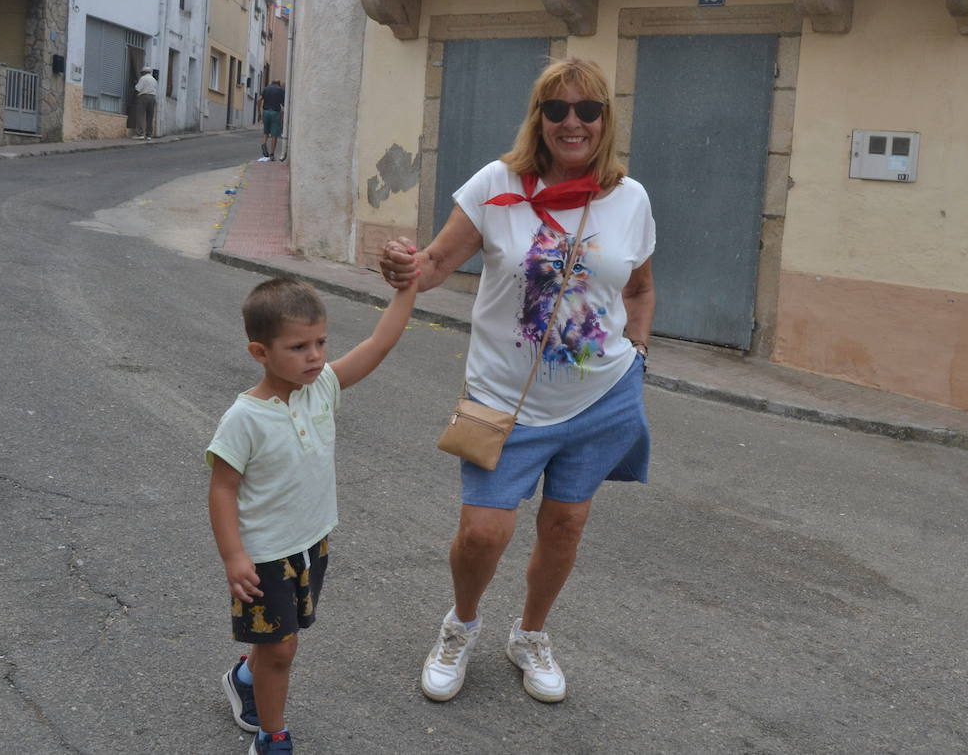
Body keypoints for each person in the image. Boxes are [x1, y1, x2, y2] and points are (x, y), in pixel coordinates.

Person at [379, 57, 656, 705]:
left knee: (564, 526)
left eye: (587, 110)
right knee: (483, 532)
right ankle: (461, 625)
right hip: (501, 398)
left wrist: (638, 356)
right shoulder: (497, 186)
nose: (571, 122)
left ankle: (530, 634)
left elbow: (640, 287)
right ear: (539, 117)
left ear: (604, 122)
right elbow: (433, 265)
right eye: (556, 109)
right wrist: (401, 266)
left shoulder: (630, 198)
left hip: (600, 397)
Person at [207, 276, 416, 753]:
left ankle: (244, 677)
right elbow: (222, 488)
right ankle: (272, 737)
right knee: (281, 649)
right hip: (262, 557)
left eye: (321, 342)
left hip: (312, 543)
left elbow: (380, 343)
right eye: (299, 346)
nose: (316, 356)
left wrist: (410, 288)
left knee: (279, 639)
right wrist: (233, 556)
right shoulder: (245, 418)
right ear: (260, 352)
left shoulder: (321, 386)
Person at [259, 80, 286, 161]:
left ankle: (263, 144)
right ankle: (272, 154)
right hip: (275, 113)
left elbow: (259, 100)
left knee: (266, 132)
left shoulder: (266, 89)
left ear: (271, 83)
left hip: (266, 112)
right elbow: (284, 104)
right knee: (274, 134)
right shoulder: (281, 90)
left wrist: (259, 112)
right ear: (279, 84)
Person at [128, 66, 158, 140]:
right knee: (150, 117)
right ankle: (149, 135)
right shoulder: (154, 80)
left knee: (140, 115)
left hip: (144, 97)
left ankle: (140, 134)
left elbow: (137, 89)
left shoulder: (143, 78)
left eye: (142, 73)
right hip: (153, 97)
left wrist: (133, 99)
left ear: (144, 72)